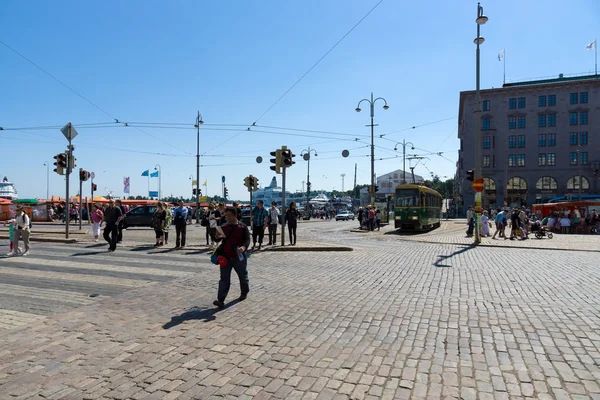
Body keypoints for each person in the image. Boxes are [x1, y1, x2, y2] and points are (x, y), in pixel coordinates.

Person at [213, 206, 251, 309]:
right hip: (226, 257)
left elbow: (247, 240)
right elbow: (217, 240)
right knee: (224, 279)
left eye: (230, 215)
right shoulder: (224, 227)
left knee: (243, 276)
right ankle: (221, 300)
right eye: (226, 215)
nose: (228, 217)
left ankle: (244, 292)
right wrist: (216, 236)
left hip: (239, 257)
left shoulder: (242, 227)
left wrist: (243, 247)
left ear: (235, 215)